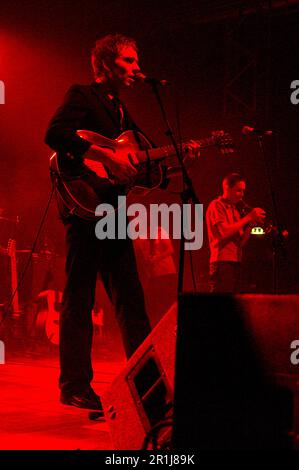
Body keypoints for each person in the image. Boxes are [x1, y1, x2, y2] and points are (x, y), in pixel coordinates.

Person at [45, 34, 199, 412]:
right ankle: (75, 386)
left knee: (132, 299)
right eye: (128, 61)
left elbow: (139, 169)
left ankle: (149, 384)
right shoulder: (82, 94)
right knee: (79, 297)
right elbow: (54, 135)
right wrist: (102, 155)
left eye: (136, 61)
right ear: (105, 65)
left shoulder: (121, 110)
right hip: (86, 205)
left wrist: (177, 162)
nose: (136, 69)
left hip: (114, 210)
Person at [206, 173, 265, 293]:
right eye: (238, 191)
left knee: (234, 305)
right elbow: (223, 232)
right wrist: (248, 217)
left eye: (243, 191)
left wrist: (250, 225)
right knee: (221, 305)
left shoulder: (236, 211)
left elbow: (240, 243)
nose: (242, 195)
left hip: (236, 262)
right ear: (227, 188)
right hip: (221, 263)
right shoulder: (216, 205)